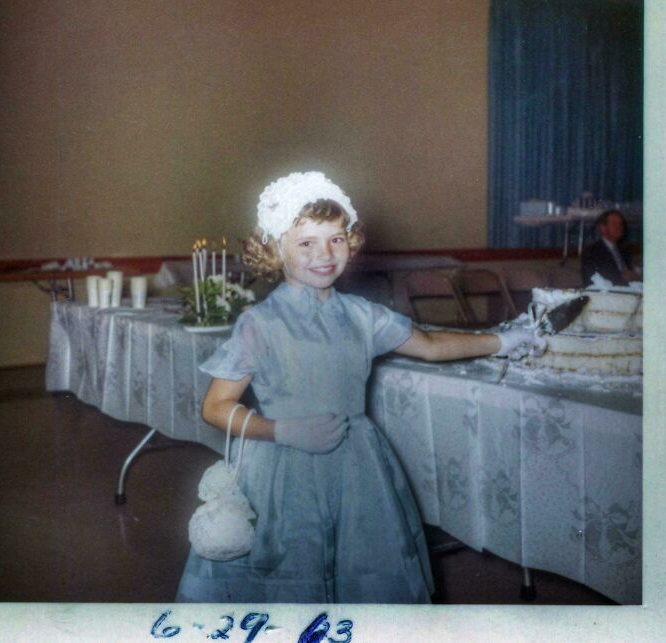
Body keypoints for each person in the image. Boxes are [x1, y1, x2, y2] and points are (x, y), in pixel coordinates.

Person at [176, 171, 544, 604]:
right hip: (282, 468)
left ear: (350, 241)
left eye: (335, 239)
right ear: (276, 248)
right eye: (306, 243)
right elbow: (216, 407)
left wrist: (502, 340)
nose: (324, 254)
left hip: (357, 464)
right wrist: (281, 430)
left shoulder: (362, 315)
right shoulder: (260, 324)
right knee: (289, 575)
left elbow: (428, 344)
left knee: (363, 572)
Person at [581, 209, 640, 287]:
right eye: (614, 224)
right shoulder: (592, 252)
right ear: (603, 228)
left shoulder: (623, 250)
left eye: (621, 224)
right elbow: (591, 282)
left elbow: (631, 274)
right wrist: (623, 277)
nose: (619, 227)